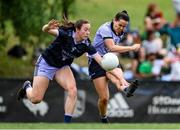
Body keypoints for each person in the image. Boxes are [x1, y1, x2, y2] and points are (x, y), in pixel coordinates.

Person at [17, 19, 103, 123]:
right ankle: (27, 87)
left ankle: (66, 125)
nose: (88, 32)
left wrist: (113, 67)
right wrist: (48, 27)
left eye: (89, 30)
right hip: (47, 63)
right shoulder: (66, 34)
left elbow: (101, 61)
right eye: (85, 30)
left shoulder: (86, 44)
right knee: (36, 99)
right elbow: (45, 30)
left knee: (73, 90)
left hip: (62, 66)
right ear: (77, 29)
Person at [88, 10, 141, 123]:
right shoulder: (105, 29)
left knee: (116, 79)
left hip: (109, 60)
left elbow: (112, 50)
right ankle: (103, 118)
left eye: (124, 26)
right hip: (96, 61)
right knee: (104, 99)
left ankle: (126, 88)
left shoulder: (121, 31)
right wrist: (131, 47)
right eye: (120, 25)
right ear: (114, 20)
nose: (121, 28)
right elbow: (111, 47)